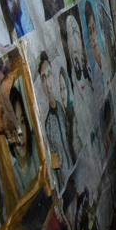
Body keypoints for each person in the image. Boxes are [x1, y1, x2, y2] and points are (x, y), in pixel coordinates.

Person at [38, 51, 75, 185]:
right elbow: (53, 156)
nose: (47, 82)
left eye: (49, 75)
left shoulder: (61, 107)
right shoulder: (47, 123)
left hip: (74, 168)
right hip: (64, 178)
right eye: (43, 78)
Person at [8, 87, 39, 198]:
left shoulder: (37, 146)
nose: (21, 132)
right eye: (15, 127)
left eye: (22, 122)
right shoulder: (14, 177)